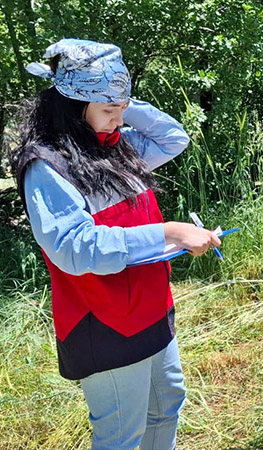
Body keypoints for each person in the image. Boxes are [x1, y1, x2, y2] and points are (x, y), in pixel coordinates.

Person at [9, 39, 221, 450]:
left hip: (151, 307)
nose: (117, 119)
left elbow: (173, 138)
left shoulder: (117, 145)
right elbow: (73, 246)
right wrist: (169, 233)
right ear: (74, 106)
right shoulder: (49, 165)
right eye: (109, 111)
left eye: (121, 110)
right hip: (102, 319)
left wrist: (119, 100)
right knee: (120, 435)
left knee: (166, 406)